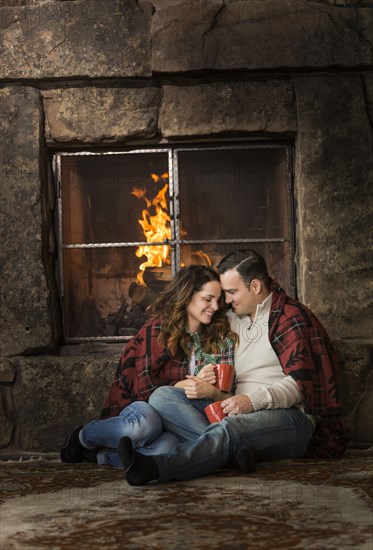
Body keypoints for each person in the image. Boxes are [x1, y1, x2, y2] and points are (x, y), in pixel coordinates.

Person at [117, 249, 348, 485]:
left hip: (289, 419)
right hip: (233, 408)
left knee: (231, 427)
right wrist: (205, 378)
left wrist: (251, 402)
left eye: (232, 292)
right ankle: (231, 455)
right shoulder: (231, 320)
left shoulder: (290, 318)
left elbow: (301, 386)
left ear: (256, 287)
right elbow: (195, 332)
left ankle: (154, 468)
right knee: (162, 396)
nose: (225, 301)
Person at [60, 264, 237, 467]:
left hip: (178, 417)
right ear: (188, 296)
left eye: (218, 300)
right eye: (208, 299)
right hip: (145, 408)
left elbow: (219, 394)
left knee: (167, 449)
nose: (215, 306)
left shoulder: (214, 336)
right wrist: (182, 386)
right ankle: (84, 436)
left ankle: (103, 457)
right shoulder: (158, 329)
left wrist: (207, 385)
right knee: (143, 427)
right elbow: (140, 388)